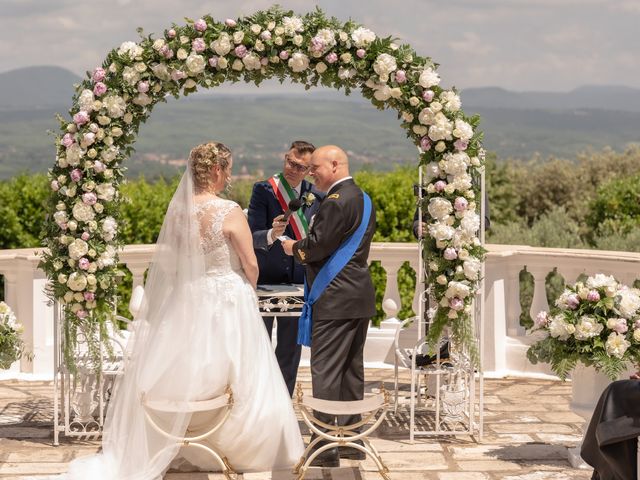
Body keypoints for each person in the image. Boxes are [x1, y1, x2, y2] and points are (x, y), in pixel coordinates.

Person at [63, 142, 303, 479]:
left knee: (189, 366)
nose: (230, 174)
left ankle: (183, 438)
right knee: (239, 369)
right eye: (228, 168)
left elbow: (175, 262)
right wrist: (247, 288)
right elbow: (250, 263)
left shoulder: (178, 211)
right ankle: (235, 444)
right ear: (217, 170)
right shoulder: (229, 210)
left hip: (189, 296)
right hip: (227, 296)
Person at [282, 145, 376, 468]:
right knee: (352, 372)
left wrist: (294, 247)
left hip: (334, 299)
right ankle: (351, 441)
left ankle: (325, 445)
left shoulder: (336, 202)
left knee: (326, 372)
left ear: (335, 165)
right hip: (359, 298)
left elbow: (317, 247)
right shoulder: (363, 198)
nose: (311, 174)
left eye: (316, 168)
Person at [247, 140, 323, 396]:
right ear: (285, 158)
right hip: (266, 279)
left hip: (299, 281)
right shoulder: (264, 190)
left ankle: (284, 401)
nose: (293, 169)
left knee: (291, 350)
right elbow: (252, 235)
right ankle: (260, 400)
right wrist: (271, 233)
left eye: (301, 167)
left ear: (310, 170)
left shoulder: (315, 195)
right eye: (290, 162)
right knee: (261, 347)